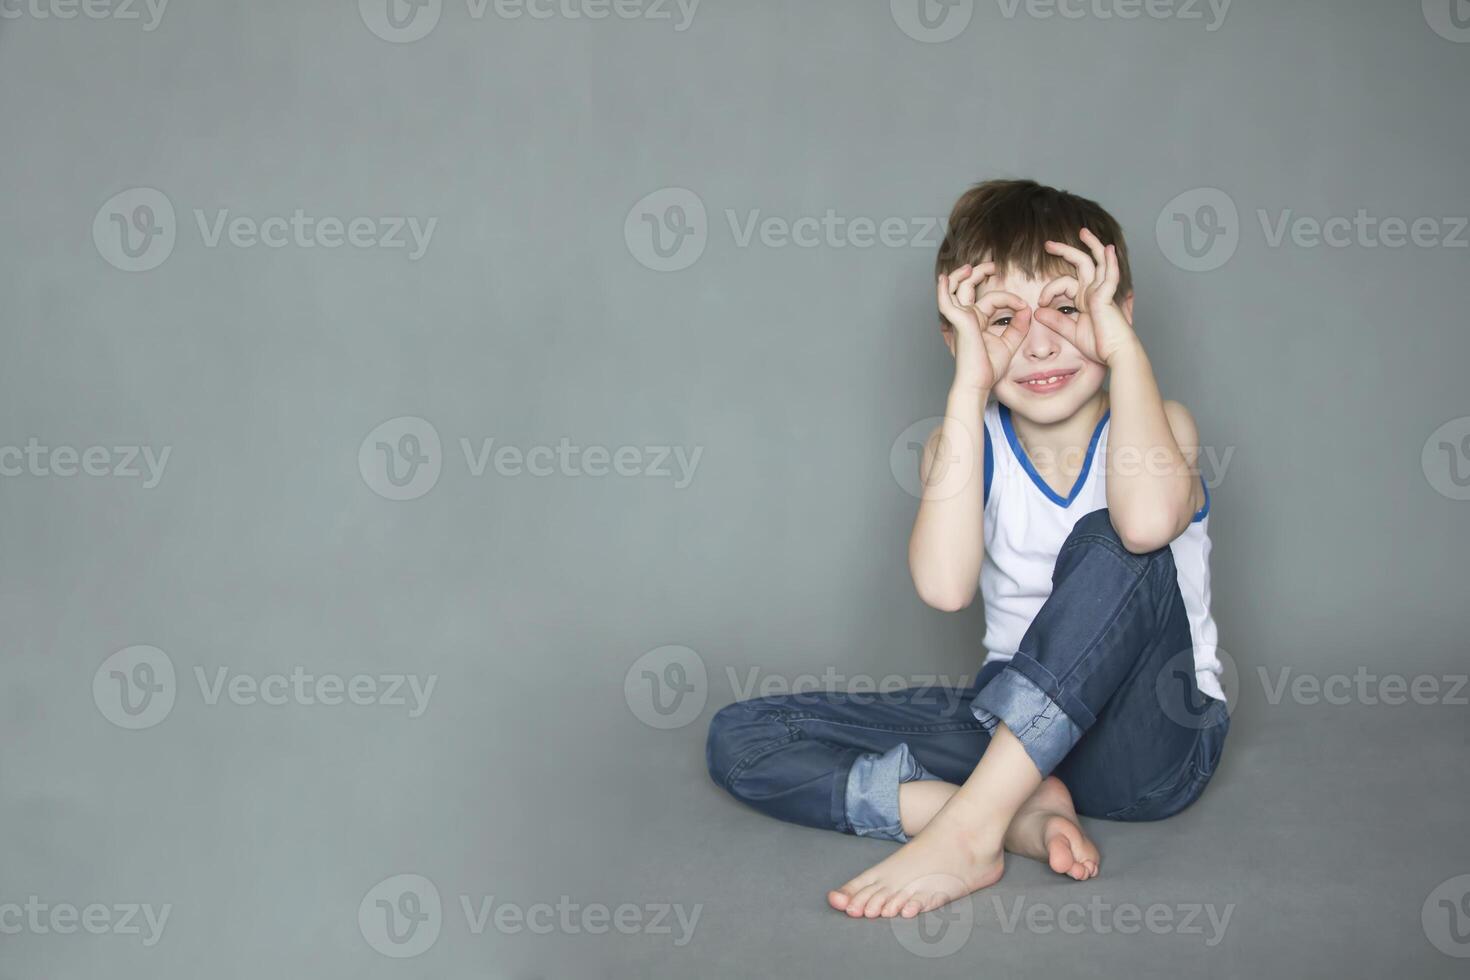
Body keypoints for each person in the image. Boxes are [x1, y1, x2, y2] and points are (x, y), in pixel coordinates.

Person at [704, 179, 1229, 919]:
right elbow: (946, 587)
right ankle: (1008, 812)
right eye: (1003, 320)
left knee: (1113, 536)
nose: (1040, 342)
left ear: (1119, 315)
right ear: (959, 338)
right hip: (1008, 729)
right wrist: (966, 391)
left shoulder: (1160, 422)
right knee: (745, 736)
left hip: (1148, 748)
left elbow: (1145, 528)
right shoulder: (965, 444)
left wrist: (1123, 350)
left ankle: (967, 830)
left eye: (1070, 309)